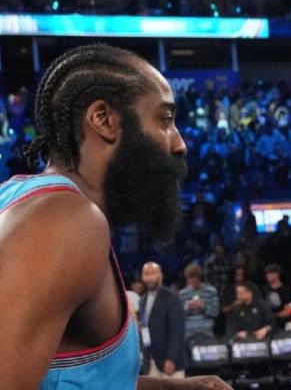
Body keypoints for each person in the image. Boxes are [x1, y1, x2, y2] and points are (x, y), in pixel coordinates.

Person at [0, 44, 232, 389]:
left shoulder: (25, 197)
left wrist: (176, 387)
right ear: (104, 119)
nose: (179, 143)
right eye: (165, 119)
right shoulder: (67, 220)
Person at [140, 262, 187, 379]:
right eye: (146, 274)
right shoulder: (143, 300)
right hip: (150, 362)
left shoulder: (171, 297)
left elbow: (177, 330)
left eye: (153, 273)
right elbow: (145, 328)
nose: (150, 277)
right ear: (142, 277)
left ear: (160, 275)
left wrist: (171, 359)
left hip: (170, 362)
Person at [179, 264, 220, 338]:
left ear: (200, 277)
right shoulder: (182, 294)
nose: (193, 281)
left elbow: (215, 313)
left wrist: (203, 306)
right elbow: (178, 316)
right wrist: (187, 307)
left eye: (195, 278)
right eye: (190, 278)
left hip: (207, 333)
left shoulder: (211, 291)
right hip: (188, 334)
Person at [262, 264, 291, 330]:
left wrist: (273, 315)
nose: (267, 276)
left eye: (269, 274)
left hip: (282, 325)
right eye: (266, 274)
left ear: (277, 274)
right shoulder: (264, 289)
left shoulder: (286, 291)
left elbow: (287, 312)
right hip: (268, 325)